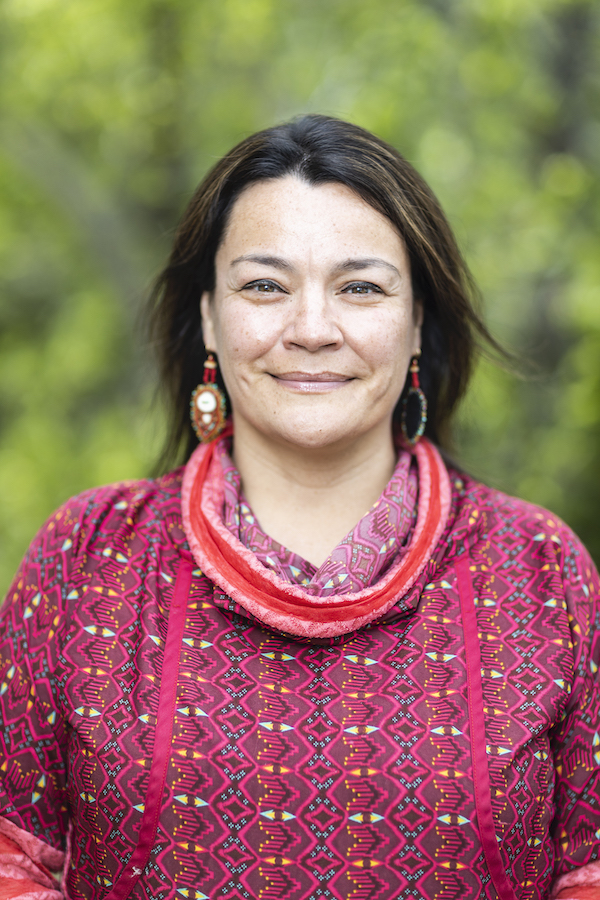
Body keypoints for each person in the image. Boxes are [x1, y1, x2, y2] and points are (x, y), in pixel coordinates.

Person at [0, 115, 599, 900]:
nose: (312, 329)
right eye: (264, 286)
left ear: (417, 319)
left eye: (360, 287)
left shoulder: (541, 572)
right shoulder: (89, 556)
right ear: (210, 316)